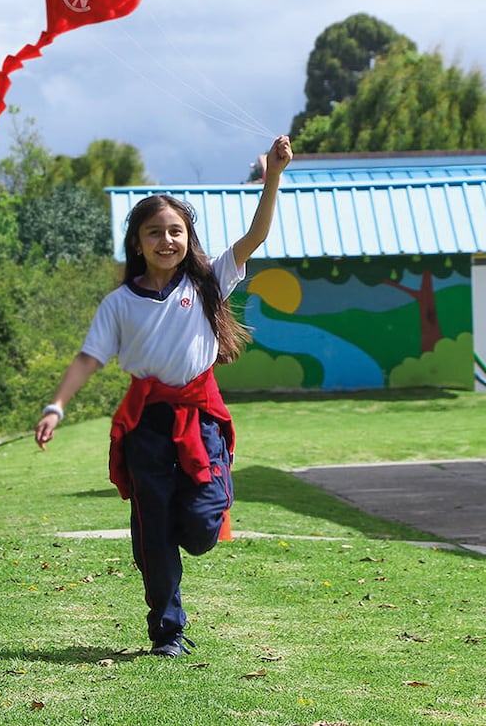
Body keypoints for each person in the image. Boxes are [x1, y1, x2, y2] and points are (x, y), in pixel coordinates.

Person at [34, 134, 293, 657]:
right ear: (138, 243)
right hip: (146, 427)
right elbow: (88, 357)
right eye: (155, 233)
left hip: (200, 422)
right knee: (156, 534)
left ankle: (189, 510)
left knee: (197, 531)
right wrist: (55, 405)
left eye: (175, 231)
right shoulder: (119, 304)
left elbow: (255, 236)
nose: (166, 241)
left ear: (187, 237)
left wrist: (274, 176)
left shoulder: (209, 283)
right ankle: (167, 633)